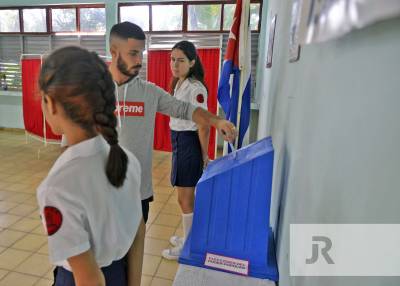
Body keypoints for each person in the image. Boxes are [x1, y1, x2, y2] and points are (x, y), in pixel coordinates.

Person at [37, 46, 144, 286]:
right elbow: (139, 231)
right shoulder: (128, 161)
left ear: (51, 104)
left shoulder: (58, 187)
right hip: (122, 275)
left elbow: (90, 280)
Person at [162, 41, 210, 260]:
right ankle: (189, 237)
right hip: (179, 142)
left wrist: (203, 154)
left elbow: (203, 124)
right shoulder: (179, 83)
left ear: (192, 62)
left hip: (189, 143)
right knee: (183, 197)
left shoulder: (195, 88)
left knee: (185, 199)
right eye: (172, 59)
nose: (175, 64)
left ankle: (189, 248)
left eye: (180, 60)